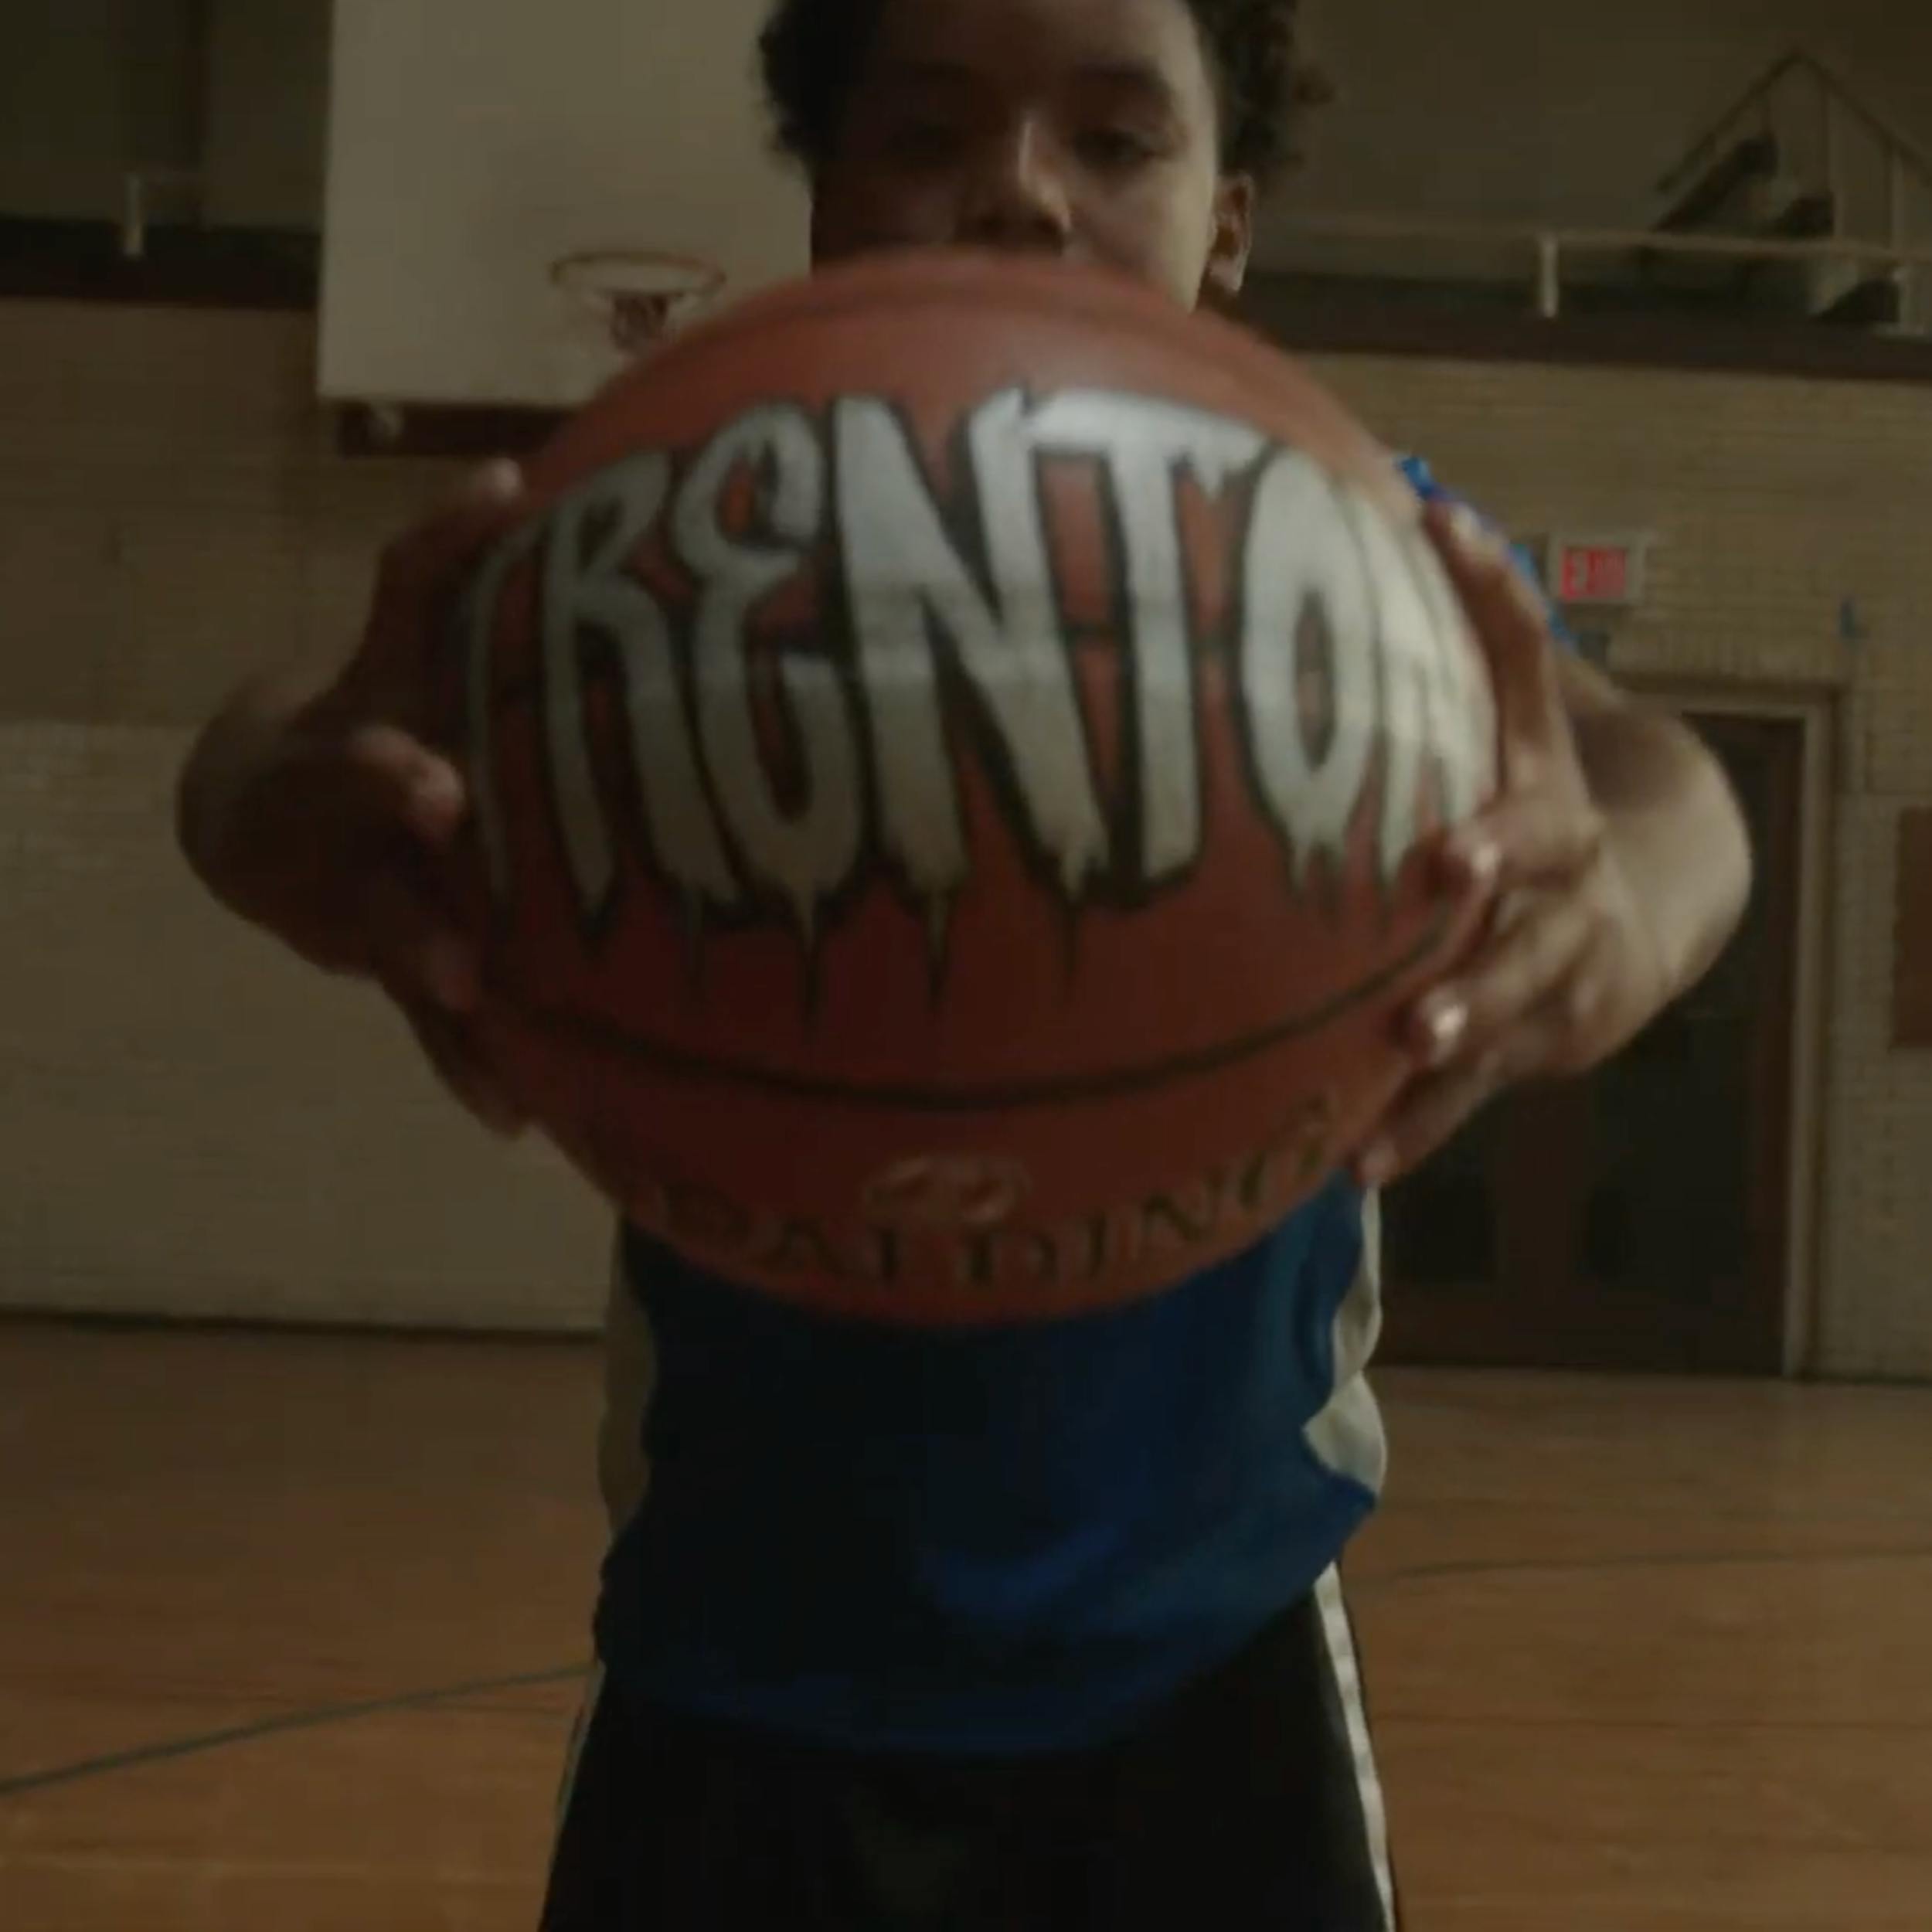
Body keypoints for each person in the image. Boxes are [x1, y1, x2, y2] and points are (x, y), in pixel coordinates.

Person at [175, 1, 1753, 1924]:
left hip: (1212, 1654)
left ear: (1225, 220)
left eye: (1112, 139)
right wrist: (273, 799)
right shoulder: (680, 514)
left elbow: (1664, 783)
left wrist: (1628, 911)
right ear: (823, 189)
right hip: (741, 1642)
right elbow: (280, 720)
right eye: (927, 128)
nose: (1016, 190)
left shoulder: (1342, 539)